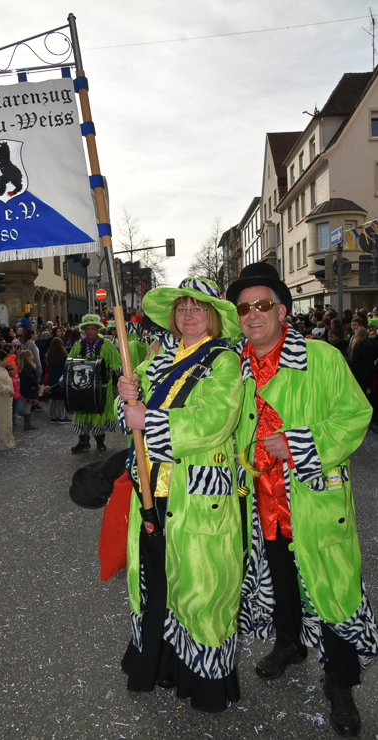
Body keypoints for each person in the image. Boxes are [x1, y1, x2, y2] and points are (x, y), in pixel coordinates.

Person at [225, 262, 377, 737]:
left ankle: (341, 682)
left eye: (262, 305)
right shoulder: (232, 369)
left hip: (313, 500)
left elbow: (355, 415)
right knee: (279, 581)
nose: (252, 314)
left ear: (281, 311)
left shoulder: (321, 358)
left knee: (332, 589)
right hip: (260, 505)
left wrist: (298, 443)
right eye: (244, 308)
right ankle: (289, 644)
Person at [117, 278, 244, 713]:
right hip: (153, 487)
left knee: (201, 584)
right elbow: (128, 416)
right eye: (183, 308)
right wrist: (126, 398)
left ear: (213, 317)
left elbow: (215, 421)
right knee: (157, 576)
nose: (188, 315)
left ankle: (204, 682)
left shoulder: (224, 362)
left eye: (198, 308)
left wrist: (147, 420)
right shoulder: (157, 359)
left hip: (197, 491)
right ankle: (159, 663)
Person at [69, 314, 122, 453]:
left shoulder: (107, 345)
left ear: (98, 329)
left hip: (102, 387)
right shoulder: (78, 345)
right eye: (87, 329)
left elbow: (116, 362)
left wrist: (120, 372)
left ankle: (100, 441)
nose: (90, 331)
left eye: (92, 328)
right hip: (82, 386)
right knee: (82, 412)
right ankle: (83, 441)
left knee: (99, 413)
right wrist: (65, 378)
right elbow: (70, 363)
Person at [0, 350, 16, 450]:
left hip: (5, 401)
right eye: (5, 359)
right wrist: (7, 390)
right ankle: (4, 443)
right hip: (0, 402)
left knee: (7, 422)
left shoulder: (1, 370)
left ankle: (9, 440)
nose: (7, 360)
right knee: (3, 423)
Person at [45, 337, 69, 423]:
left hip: (52, 378)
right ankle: (61, 416)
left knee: (54, 398)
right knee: (61, 399)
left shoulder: (50, 354)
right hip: (60, 379)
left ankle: (53, 416)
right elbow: (65, 367)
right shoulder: (62, 354)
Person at [17, 349, 39, 431]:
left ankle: (27, 424)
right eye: (31, 355)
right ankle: (27, 424)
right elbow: (30, 377)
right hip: (29, 389)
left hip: (25, 389)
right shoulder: (29, 367)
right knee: (28, 406)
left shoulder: (23, 367)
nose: (32, 356)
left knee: (27, 405)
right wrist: (35, 384)